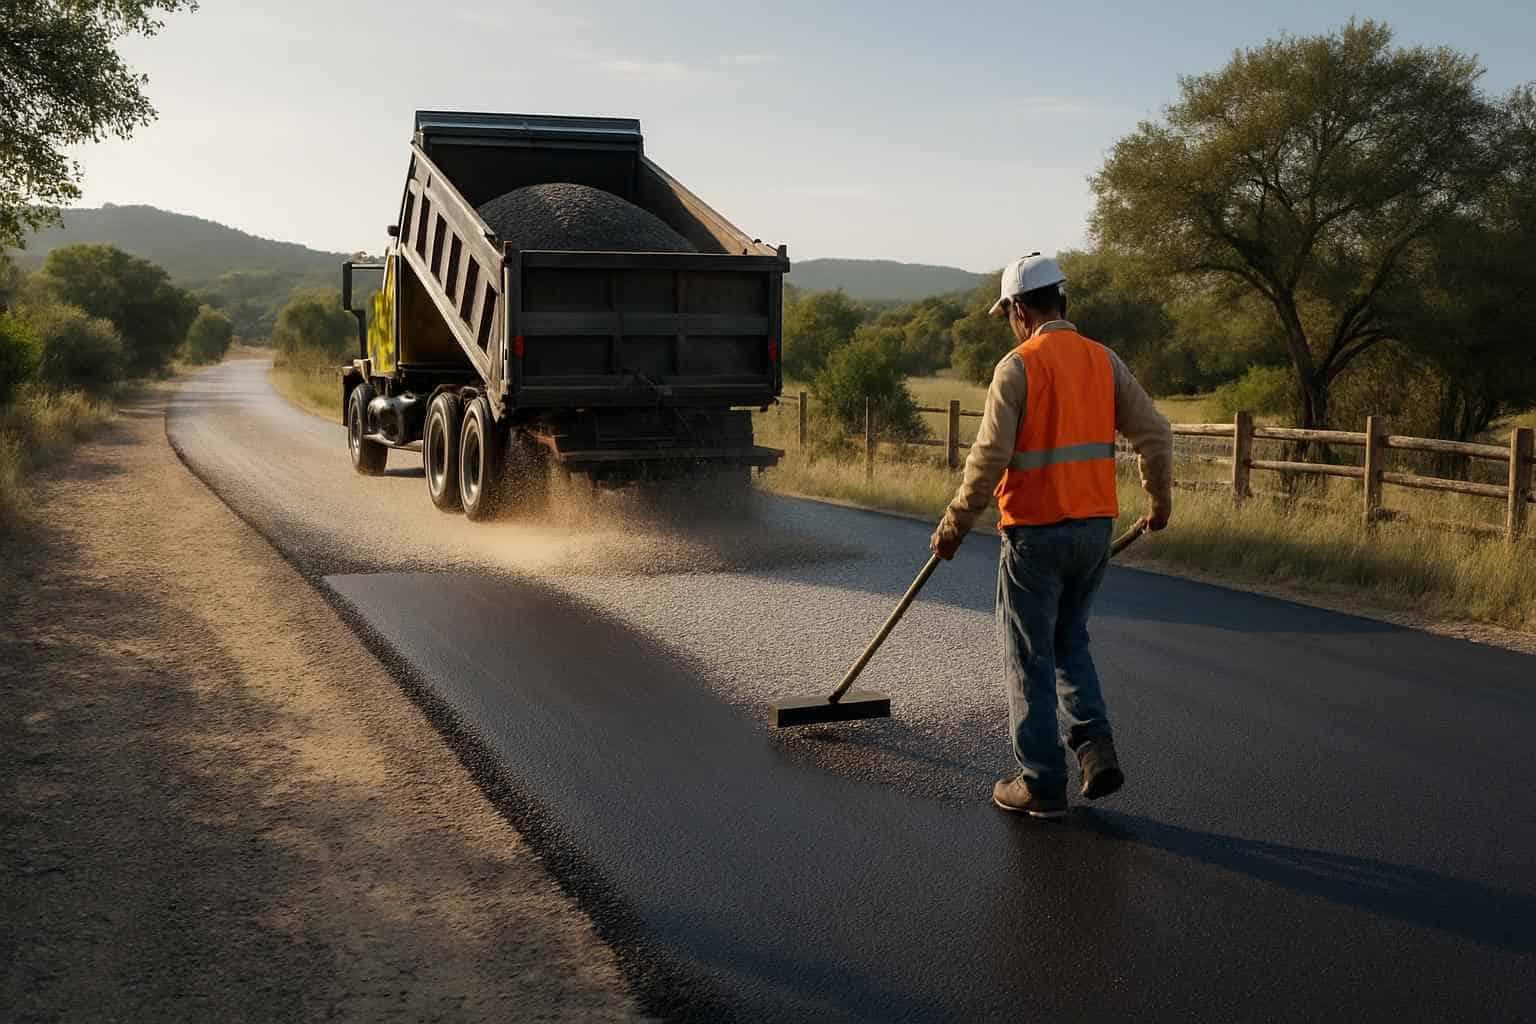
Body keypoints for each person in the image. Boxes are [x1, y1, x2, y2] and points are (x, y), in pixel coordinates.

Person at [929, 253, 1172, 819]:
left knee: (1028, 657)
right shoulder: (1103, 361)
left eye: (1008, 313)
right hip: (1092, 532)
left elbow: (988, 458)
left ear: (1018, 309)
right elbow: (1155, 434)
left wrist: (953, 526)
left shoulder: (1017, 366)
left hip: (1035, 539)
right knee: (1070, 641)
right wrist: (1158, 504)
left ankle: (1040, 784)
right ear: (1060, 300)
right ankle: (1092, 745)